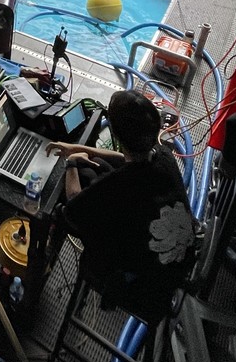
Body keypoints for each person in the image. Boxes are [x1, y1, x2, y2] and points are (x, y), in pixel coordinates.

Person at [48, 89, 195, 323]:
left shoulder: (118, 188)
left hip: (144, 287)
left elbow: (74, 206)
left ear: (116, 135)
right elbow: (125, 159)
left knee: (67, 206)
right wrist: (82, 150)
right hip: (179, 264)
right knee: (95, 165)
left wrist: (71, 162)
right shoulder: (163, 155)